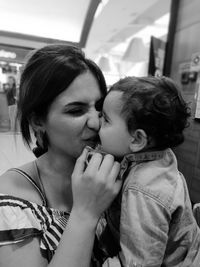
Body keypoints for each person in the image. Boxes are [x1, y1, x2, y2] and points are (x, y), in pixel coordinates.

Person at [0, 44, 122, 267]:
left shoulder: (115, 174)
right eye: (76, 110)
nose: (96, 122)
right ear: (38, 120)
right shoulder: (11, 201)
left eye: (100, 108)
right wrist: (85, 213)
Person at [91, 76, 200, 266]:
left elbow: (139, 264)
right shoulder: (161, 155)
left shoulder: (143, 191)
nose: (97, 123)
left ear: (137, 140)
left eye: (106, 120)